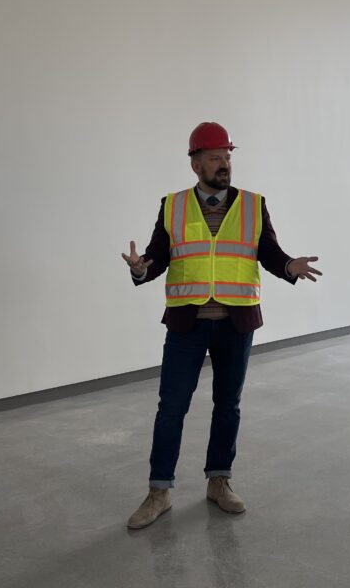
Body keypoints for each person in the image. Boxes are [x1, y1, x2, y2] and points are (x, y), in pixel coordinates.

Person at [120, 121, 322, 529]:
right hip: (187, 324)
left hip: (236, 322)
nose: (224, 163)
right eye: (215, 157)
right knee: (171, 407)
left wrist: (289, 266)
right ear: (195, 164)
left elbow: (268, 251)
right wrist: (142, 269)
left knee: (228, 405)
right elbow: (159, 256)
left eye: (227, 156)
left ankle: (219, 482)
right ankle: (159, 491)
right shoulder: (172, 205)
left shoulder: (252, 204)